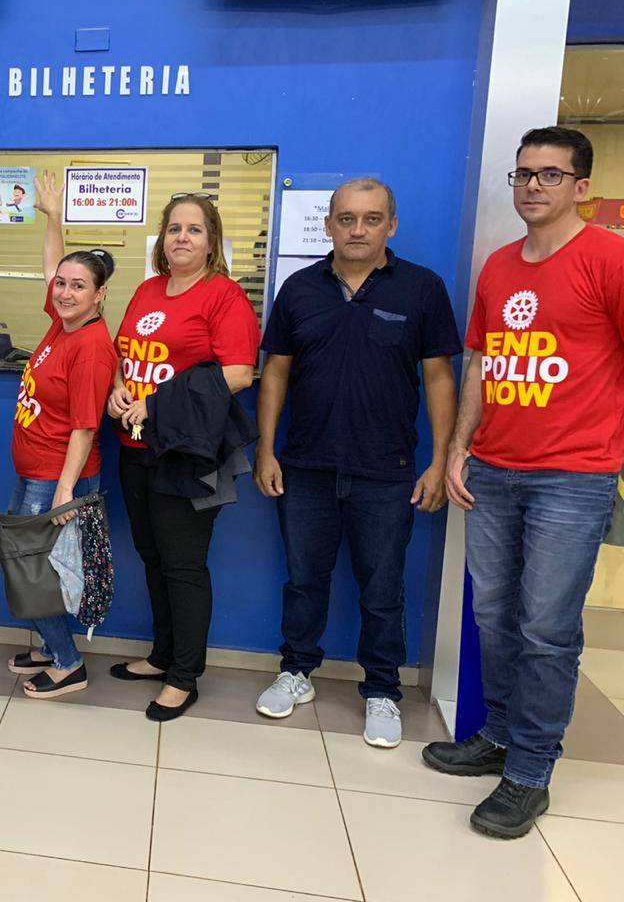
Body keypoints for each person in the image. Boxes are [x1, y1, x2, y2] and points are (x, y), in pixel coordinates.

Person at [424, 127, 624, 839]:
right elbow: (482, 363)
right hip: (494, 470)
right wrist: (459, 448)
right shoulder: (500, 267)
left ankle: (531, 771)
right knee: (494, 615)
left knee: (546, 628)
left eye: (550, 174)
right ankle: (500, 736)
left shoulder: (608, 257)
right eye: (524, 173)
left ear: (581, 187)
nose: (533, 185)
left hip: (573, 477)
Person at [252, 179, 461, 749]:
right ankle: (297, 671)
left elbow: (439, 378)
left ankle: (383, 691)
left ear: (392, 225)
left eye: (371, 219)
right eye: (346, 219)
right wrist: (266, 448)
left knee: (383, 588)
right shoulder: (299, 289)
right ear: (328, 226)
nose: (358, 229)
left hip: (387, 471)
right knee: (304, 580)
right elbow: (275, 372)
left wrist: (440, 460)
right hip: (306, 467)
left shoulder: (422, 288)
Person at [105, 191, 260, 720]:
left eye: (194, 229)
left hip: (188, 452)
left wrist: (155, 402)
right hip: (135, 446)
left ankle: (184, 676)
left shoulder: (224, 297)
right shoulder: (147, 290)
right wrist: (118, 387)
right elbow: (124, 355)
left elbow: (239, 373)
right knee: (153, 557)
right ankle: (162, 655)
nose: (182, 238)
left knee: (183, 565)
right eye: (174, 228)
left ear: (212, 241)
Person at [4, 188, 118, 698]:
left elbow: (85, 428)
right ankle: (52, 649)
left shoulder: (91, 346)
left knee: (32, 570)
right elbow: (53, 268)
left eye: (79, 286)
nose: (65, 292)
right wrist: (53, 217)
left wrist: (65, 492)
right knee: (32, 565)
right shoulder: (63, 323)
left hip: (56, 477)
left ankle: (67, 662)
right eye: (63, 285)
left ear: (99, 295)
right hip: (37, 472)